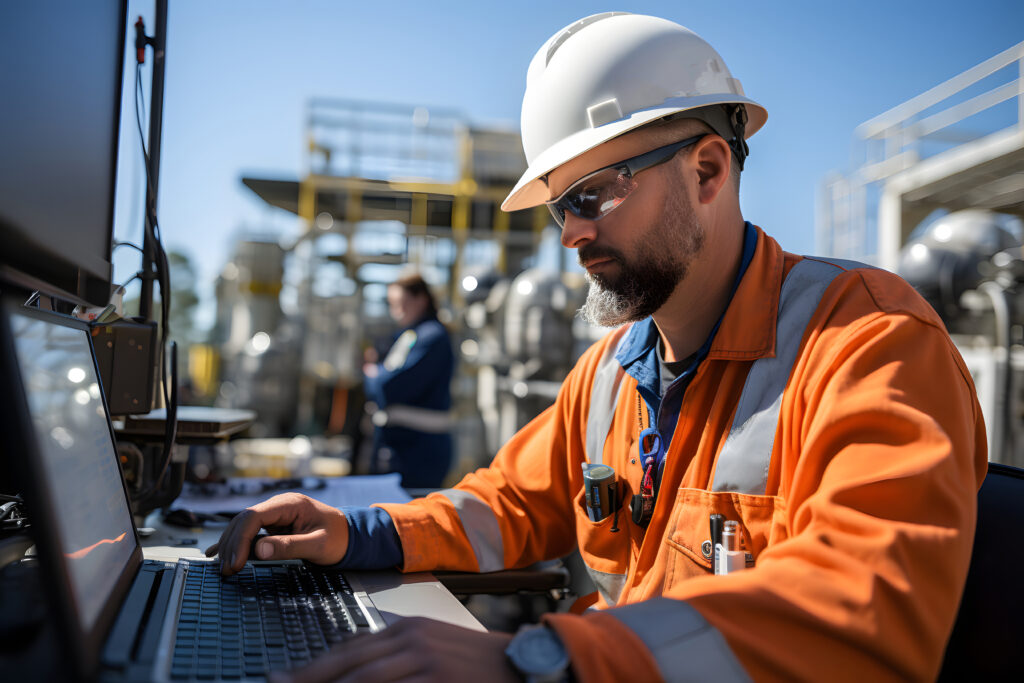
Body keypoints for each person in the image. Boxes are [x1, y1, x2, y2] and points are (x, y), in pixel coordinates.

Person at [208, 13, 986, 682]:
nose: (573, 233)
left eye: (593, 195)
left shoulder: (869, 345)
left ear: (708, 170)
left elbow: (865, 603)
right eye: (559, 209)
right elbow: (504, 503)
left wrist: (540, 661)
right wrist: (359, 533)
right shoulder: (610, 374)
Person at [362, 272, 455, 488]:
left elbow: (388, 387)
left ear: (421, 299)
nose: (396, 313)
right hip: (402, 445)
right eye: (392, 305)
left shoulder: (431, 336)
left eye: (401, 304)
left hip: (417, 450)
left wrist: (371, 375)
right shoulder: (409, 336)